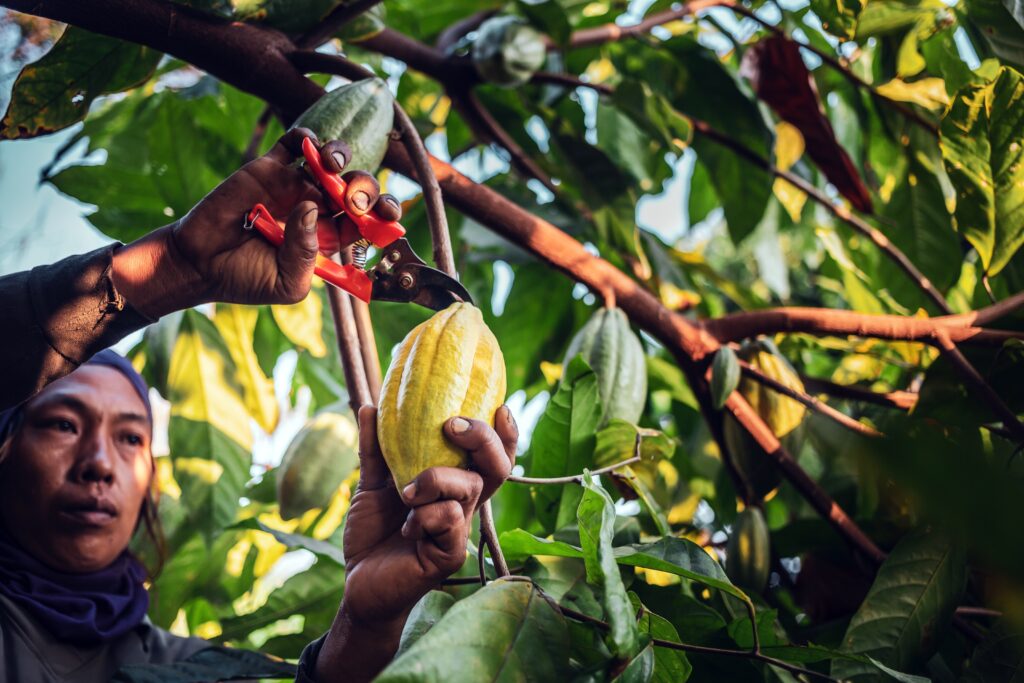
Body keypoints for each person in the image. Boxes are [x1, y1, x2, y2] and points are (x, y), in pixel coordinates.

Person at [0, 129, 517, 682]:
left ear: (153, 474)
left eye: (131, 437)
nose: (99, 464)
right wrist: (171, 265)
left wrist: (365, 627)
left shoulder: (204, 671)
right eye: (61, 424)